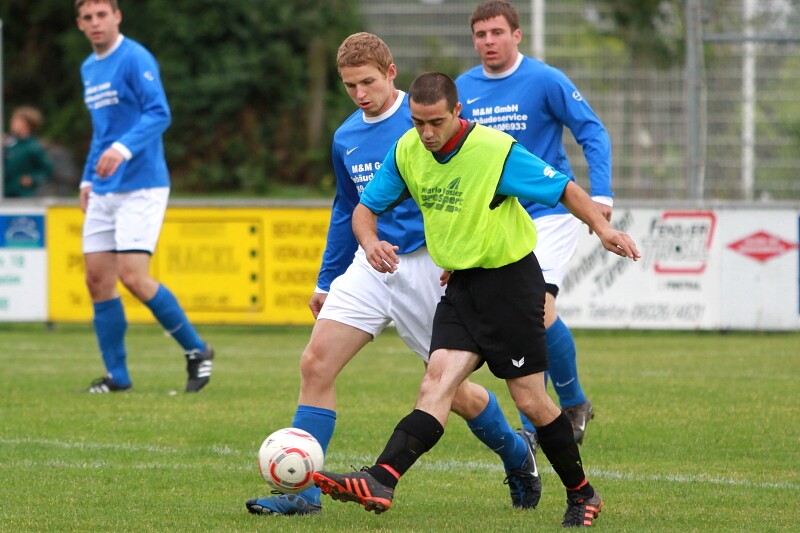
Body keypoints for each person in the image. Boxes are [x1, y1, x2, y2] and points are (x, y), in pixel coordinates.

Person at [312, 72, 640, 528]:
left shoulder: (493, 150)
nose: (427, 133)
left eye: (436, 122)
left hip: (511, 285)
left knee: (531, 401)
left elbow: (562, 187)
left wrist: (603, 229)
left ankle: (582, 493)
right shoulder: (407, 150)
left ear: (457, 112)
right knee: (435, 383)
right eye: (418, 122)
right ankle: (381, 479)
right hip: (460, 286)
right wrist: (369, 242)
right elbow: (364, 208)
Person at [246, 33, 540, 517]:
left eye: (367, 82)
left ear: (390, 72)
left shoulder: (428, 120)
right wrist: (326, 279)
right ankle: (305, 493)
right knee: (316, 363)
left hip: (429, 267)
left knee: (451, 392)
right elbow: (348, 208)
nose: (360, 94)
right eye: (349, 86)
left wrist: (466, 259)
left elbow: (483, 186)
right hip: (371, 263)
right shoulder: (346, 137)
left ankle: (515, 452)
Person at [456, 0, 614, 445]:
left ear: (516, 35)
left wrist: (600, 195)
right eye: (481, 35)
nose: (489, 41)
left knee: (535, 308)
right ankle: (574, 402)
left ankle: (533, 427)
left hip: (549, 213)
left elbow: (592, 131)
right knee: (523, 314)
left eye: (497, 33)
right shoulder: (463, 88)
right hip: (496, 221)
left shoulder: (545, 80)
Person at [75, 0, 213, 393]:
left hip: (142, 184)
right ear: (79, 24)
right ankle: (118, 377)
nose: (96, 22)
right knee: (97, 279)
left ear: (117, 16)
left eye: (102, 14)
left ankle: (197, 350)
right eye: (88, 17)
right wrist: (87, 179)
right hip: (104, 187)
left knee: (134, 277)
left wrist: (122, 150)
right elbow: (101, 131)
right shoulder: (89, 67)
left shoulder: (135, 58)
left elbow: (159, 113)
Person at [3, 106, 53, 198]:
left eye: (16, 121)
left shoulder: (33, 146)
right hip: (5, 192)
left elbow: (47, 170)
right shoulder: (8, 143)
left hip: (22, 194)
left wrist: (32, 179)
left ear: (26, 124)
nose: (12, 123)